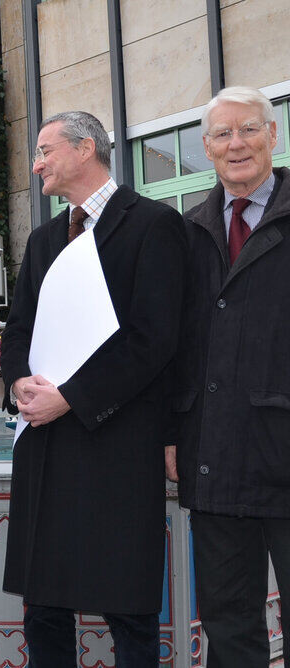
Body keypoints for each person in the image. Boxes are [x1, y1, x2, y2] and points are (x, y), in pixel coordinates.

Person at [0, 111, 185, 666]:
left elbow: (154, 340)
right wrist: (17, 385)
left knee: (128, 614)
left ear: (85, 149)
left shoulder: (154, 224)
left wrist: (71, 398)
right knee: (44, 613)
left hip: (118, 448)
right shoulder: (44, 238)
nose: (35, 165)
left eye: (44, 151)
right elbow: (18, 332)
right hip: (45, 449)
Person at [167, 86, 290, 667]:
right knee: (229, 626)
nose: (236, 143)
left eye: (248, 129)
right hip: (214, 457)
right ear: (206, 149)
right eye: (222, 134)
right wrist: (170, 432)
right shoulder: (187, 233)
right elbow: (171, 347)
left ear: (274, 135)